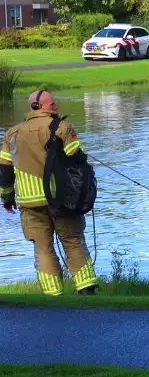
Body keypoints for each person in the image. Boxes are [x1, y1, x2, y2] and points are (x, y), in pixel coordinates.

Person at [0, 91, 98, 296]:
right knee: (73, 241)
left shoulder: (12, 133)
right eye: (52, 103)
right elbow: (77, 158)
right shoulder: (62, 127)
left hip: (29, 202)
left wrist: (7, 198)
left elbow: (5, 171)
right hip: (61, 199)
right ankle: (86, 290)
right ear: (37, 106)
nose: (56, 106)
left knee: (43, 249)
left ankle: (53, 296)